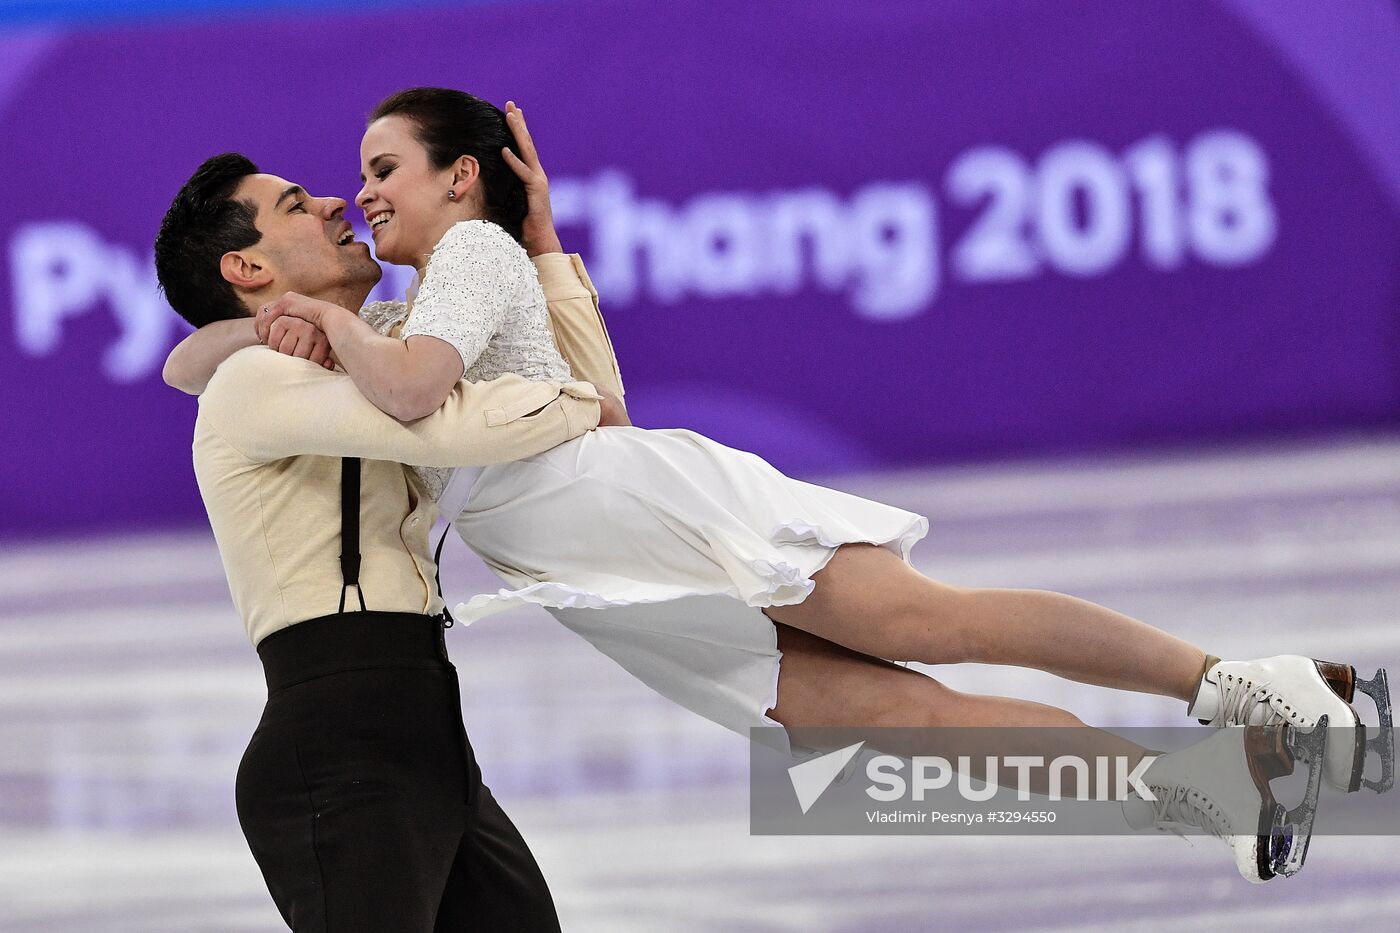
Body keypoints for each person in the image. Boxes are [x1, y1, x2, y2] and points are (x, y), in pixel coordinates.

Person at [165, 91, 1390, 884]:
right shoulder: (389, 312)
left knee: (928, 622)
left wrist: (522, 259)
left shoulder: (455, 273)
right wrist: (281, 323)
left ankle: (1250, 686)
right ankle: (1206, 795)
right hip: (593, 569)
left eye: (379, 168)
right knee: (894, 719)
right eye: (326, 190)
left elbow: (507, 403)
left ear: (464, 183)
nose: (351, 193)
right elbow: (193, 356)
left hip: (624, 505)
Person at [153, 151, 628, 931]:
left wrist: (542, 247)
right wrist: (583, 402)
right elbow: (451, 425)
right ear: (245, 263)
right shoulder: (252, 381)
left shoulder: (368, 349)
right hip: (338, 749)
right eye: (298, 204)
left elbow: (599, 418)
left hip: (426, 732)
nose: (339, 200)